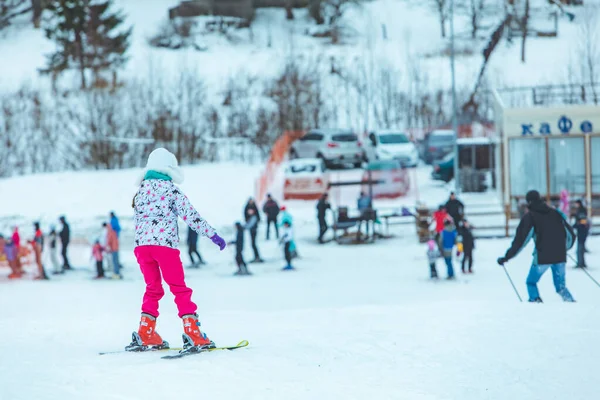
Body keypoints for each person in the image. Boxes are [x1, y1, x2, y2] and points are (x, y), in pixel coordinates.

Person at [126, 147, 227, 352]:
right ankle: (193, 332)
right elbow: (191, 216)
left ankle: (146, 332)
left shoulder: (140, 192)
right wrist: (212, 235)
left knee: (153, 288)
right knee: (179, 288)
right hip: (165, 247)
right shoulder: (171, 190)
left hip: (143, 248)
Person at [497, 190, 576, 303]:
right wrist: (565, 248)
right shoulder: (555, 213)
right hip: (560, 255)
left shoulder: (530, 217)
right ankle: (572, 304)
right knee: (561, 287)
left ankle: (535, 301)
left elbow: (520, 240)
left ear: (528, 201)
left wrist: (506, 257)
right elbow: (570, 234)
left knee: (531, 282)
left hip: (543, 257)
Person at [573, 199, 588, 268]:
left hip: (582, 231)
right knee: (580, 248)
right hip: (581, 231)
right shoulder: (580, 210)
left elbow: (583, 221)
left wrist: (576, 225)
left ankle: (580, 263)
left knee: (580, 248)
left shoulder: (581, 210)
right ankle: (581, 262)